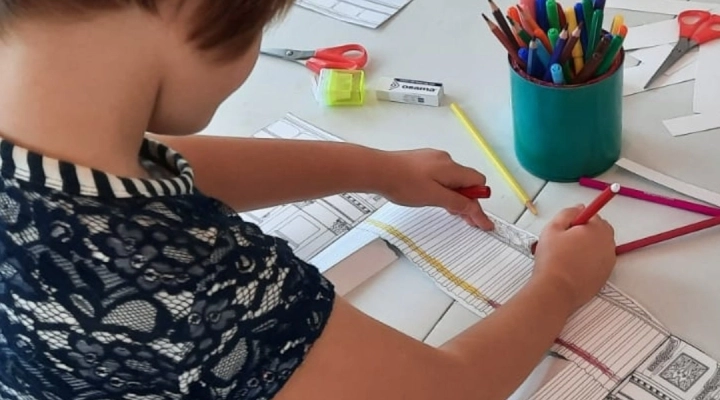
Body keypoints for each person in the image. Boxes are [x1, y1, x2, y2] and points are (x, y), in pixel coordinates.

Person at [0, 1, 617, 399]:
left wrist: (377, 168)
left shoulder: (57, 139)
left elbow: (160, 165)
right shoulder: (185, 278)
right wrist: (561, 283)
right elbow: (443, 390)